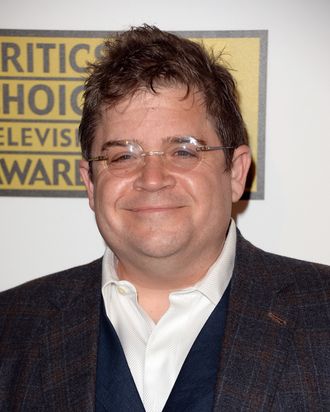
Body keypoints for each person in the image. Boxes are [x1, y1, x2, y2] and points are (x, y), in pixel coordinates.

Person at [0, 25, 329, 412]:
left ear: (236, 173)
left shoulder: (321, 314)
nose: (152, 179)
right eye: (123, 156)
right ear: (91, 183)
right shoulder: (10, 328)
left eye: (184, 151)